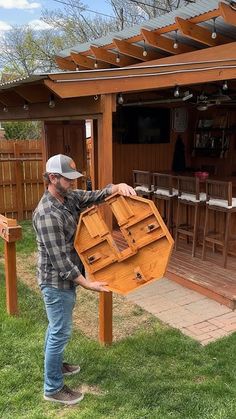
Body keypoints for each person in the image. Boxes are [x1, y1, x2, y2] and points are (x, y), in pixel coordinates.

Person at [33, 154, 136, 405]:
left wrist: (116, 187)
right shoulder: (47, 214)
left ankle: (56, 365)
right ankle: (53, 387)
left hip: (65, 279)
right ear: (52, 178)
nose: (72, 183)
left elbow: (95, 196)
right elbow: (60, 262)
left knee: (56, 328)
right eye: (68, 179)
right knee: (60, 331)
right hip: (56, 282)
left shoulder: (68, 198)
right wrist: (87, 282)